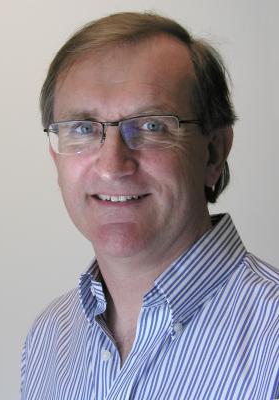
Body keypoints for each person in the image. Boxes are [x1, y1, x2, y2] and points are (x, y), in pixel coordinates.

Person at [20, 12, 279, 400]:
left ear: (213, 152)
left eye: (152, 126)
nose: (112, 166)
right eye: (84, 129)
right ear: (58, 161)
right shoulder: (46, 341)